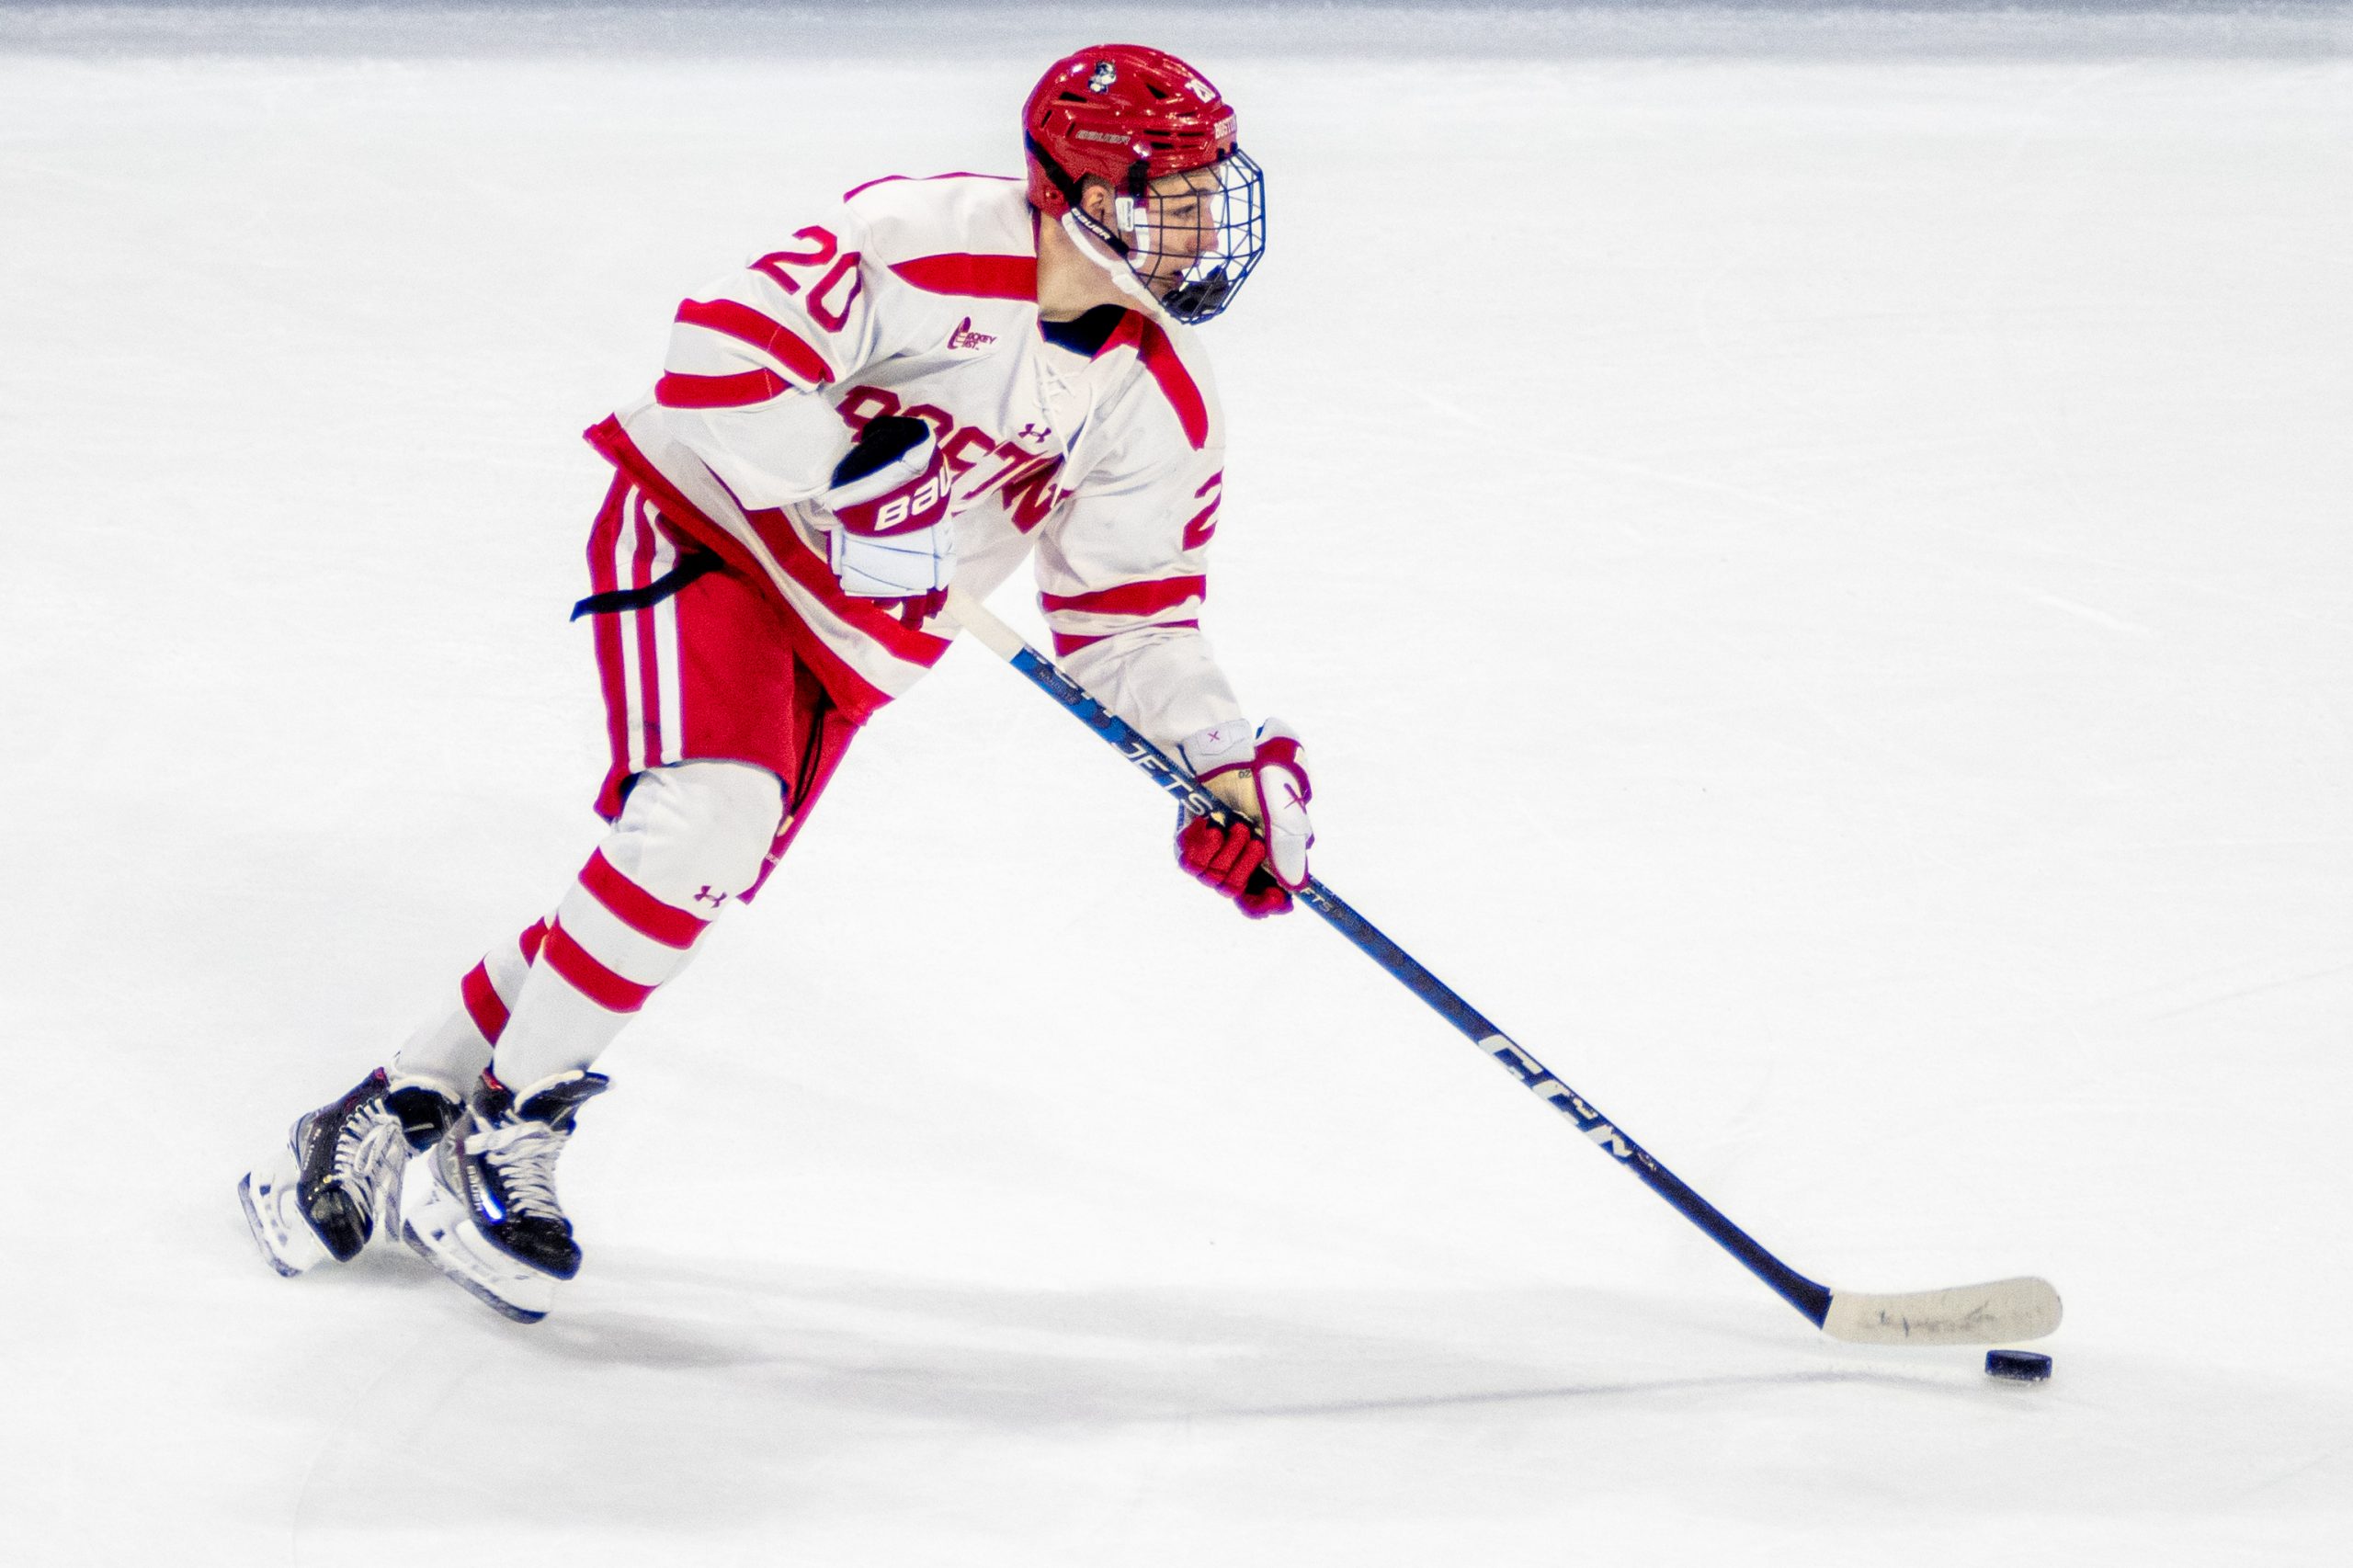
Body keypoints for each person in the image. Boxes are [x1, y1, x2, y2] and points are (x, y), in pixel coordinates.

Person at [237, 42, 1317, 1323]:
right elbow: (716, 353)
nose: (1205, 223)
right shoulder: (919, 238)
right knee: (704, 820)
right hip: (712, 534)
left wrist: (1225, 758)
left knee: (668, 880)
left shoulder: (1162, 407)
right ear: (1079, 190)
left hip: (854, 645)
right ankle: (500, 1128)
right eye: (1174, 192)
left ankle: (387, 1106)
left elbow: (1132, 621)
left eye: (1210, 190)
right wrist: (846, 463)